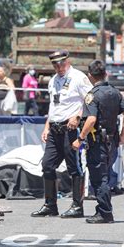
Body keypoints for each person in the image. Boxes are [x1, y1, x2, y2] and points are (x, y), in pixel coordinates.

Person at [31, 50, 93, 218]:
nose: (58, 67)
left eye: (61, 63)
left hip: (71, 129)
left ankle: (77, 206)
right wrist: (46, 127)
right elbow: (53, 107)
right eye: (55, 64)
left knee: (75, 168)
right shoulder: (53, 81)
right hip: (54, 129)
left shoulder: (79, 78)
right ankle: (50, 204)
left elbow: (91, 100)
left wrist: (78, 116)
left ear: (67, 60)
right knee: (47, 165)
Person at [71, 60, 124, 223]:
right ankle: (103, 210)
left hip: (97, 142)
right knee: (103, 176)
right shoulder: (115, 92)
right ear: (105, 74)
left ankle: (105, 213)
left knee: (99, 178)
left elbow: (91, 119)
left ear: (90, 76)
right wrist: (122, 136)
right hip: (112, 141)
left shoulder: (93, 95)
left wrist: (80, 139)